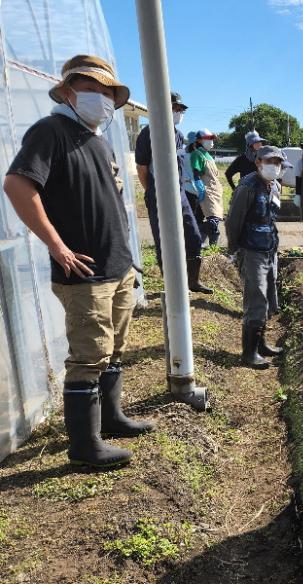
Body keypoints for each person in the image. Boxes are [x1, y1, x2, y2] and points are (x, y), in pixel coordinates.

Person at [3, 54, 154, 468]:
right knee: (89, 355)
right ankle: (84, 447)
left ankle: (112, 418)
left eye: (107, 93)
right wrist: (58, 246)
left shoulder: (97, 139)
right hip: (84, 271)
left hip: (116, 266)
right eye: (91, 90)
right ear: (68, 92)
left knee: (114, 348)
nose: (101, 99)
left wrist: (125, 259)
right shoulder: (51, 131)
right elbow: (17, 184)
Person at [135, 92, 212, 293]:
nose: (178, 113)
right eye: (175, 108)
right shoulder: (148, 133)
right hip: (158, 195)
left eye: (180, 110)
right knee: (164, 242)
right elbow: (142, 168)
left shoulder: (178, 135)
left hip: (180, 194)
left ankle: (192, 281)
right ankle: (173, 288)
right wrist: (152, 191)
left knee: (194, 236)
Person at [225, 145, 285, 369]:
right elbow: (233, 221)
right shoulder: (248, 186)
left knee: (268, 296)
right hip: (252, 251)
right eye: (270, 161)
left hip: (269, 248)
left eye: (278, 163)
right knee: (256, 298)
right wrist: (235, 249)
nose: (274, 166)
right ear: (258, 162)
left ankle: (261, 344)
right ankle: (248, 353)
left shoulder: (274, 186)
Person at [189, 129, 225, 247]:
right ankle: (212, 247)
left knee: (216, 218)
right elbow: (196, 173)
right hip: (207, 190)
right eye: (208, 139)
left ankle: (203, 242)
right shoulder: (196, 154)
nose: (211, 142)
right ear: (200, 140)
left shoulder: (208, 155)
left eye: (212, 139)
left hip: (216, 191)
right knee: (213, 221)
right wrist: (199, 187)